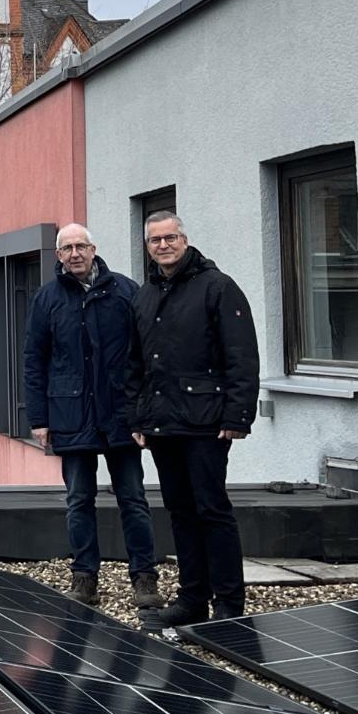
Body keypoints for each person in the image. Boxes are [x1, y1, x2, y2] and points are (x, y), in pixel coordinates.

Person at [127, 210, 259, 626]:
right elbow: (135, 364)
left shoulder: (217, 287)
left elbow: (241, 356)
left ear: (184, 239)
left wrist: (238, 415)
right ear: (147, 246)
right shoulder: (145, 295)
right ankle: (192, 599)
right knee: (180, 512)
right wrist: (138, 418)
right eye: (155, 240)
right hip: (163, 425)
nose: (163, 246)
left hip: (206, 422)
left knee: (212, 510)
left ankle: (228, 604)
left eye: (170, 238)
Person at [24, 223, 162, 610]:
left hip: (120, 414)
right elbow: (34, 360)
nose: (74, 254)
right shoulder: (47, 298)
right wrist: (39, 418)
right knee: (78, 500)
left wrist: (144, 414)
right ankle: (84, 578)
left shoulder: (124, 291)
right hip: (70, 414)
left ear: (93, 248)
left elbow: (143, 355)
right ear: (58, 255)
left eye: (80, 246)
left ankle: (145, 578)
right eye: (66, 248)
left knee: (133, 499)